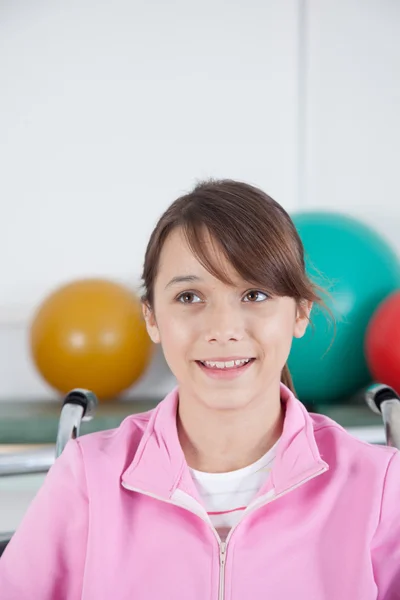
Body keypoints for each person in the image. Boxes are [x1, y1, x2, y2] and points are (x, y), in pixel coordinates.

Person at [1, 179, 400, 600]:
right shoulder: (88, 478)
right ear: (151, 317)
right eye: (190, 297)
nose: (222, 329)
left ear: (300, 313)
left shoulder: (379, 486)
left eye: (254, 293)